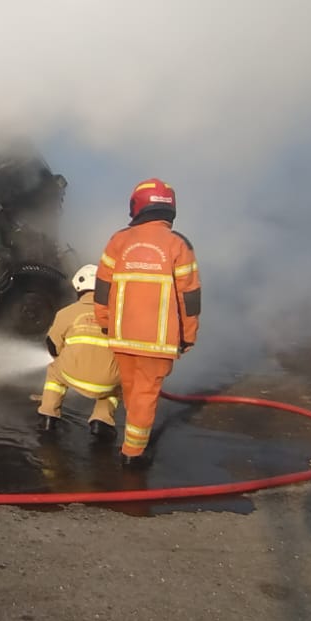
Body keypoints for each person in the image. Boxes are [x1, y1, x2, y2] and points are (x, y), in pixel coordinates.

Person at [94, 177, 201, 467]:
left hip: (120, 337)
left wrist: (104, 323)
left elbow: (102, 288)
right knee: (144, 396)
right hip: (158, 344)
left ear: (137, 206)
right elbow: (189, 299)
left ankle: (129, 438)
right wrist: (188, 336)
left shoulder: (118, 241)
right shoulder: (179, 245)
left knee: (131, 392)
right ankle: (132, 454)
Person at [38, 263, 121, 437]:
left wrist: (62, 357)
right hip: (106, 382)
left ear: (78, 288)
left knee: (54, 372)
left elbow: (52, 345)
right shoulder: (119, 315)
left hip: (71, 375)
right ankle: (101, 420)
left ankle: (48, 416)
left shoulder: (66, 313)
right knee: (119, 385)